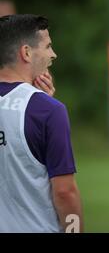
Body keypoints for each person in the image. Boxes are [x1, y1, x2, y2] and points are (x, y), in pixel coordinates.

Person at [0, 14, 83, 233]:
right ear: (26, 53)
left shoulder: (44, 108)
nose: (53, 54)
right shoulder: (48, 110)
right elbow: (65, 193)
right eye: (48, 46)